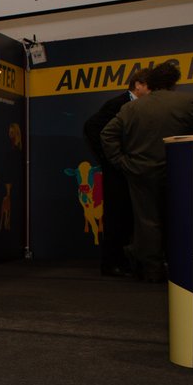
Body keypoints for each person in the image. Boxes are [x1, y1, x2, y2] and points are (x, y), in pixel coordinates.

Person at [100, 60, 193, 283]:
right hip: (179, 172)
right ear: (173, 81)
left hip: (140, 172)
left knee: (147, 222)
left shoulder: (132, 107)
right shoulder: (186, 101)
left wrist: (121, 161)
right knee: (180, 218)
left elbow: (107, 135)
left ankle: (152, 270)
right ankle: (182, 270)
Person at [82, 68, 149, 277]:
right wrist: (109, 159)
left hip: (130, 170)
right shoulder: (117, 104)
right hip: (117, 171)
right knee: (116, 217)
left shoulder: (140, 106)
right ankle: (111, 263)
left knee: (129, 217)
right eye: (149, 86)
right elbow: (92, 127)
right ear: (137, 85)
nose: (152, 91)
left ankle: (126, 262)